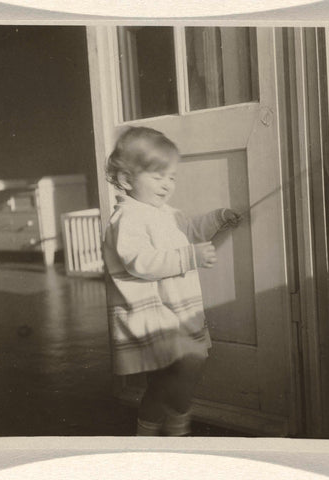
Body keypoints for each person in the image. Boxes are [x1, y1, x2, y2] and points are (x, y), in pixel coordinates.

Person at [103, 126, 241, 436]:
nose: (167, 185)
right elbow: (139, 262)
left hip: (172, 309)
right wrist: (189, 258)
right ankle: (180, 421)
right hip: (151, 314)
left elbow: (188, 231)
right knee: (188, 361)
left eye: (171, 177)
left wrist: (216, 219)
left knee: (165, 380)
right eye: (157, 177)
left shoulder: (164, 212)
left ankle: (147, 432)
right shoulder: (127, 218)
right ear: (126, 180)